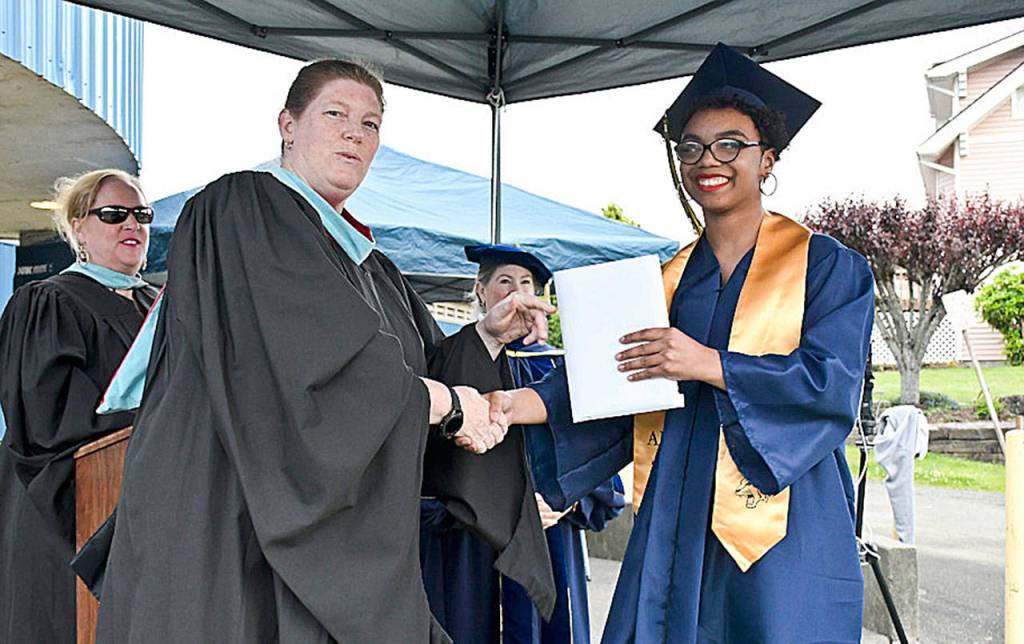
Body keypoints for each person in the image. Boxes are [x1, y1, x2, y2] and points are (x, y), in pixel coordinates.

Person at [94, 60, 554, 643]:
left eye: (369, 124)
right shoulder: (244, 205)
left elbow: (419, 368)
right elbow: (319, 360)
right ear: (288, 124)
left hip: (319, 529)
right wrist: (448, 404)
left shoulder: (372, 264)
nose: (354, 134)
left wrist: (488, 335)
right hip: (230, 510)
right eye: (335, 114)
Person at [488, 43, 875, 642]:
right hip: (675, 511)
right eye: (690, 147)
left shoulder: (825, 267)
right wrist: (514, 405)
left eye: (730, 145)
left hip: (781, 517)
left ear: (767, 159)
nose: (706, 160)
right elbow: (607, 384)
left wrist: (709, 364)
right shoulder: (662, 282)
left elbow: (830, 386)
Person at [421, 244, 625, 644]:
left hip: (549, 537)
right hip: (469, 546)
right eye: (503, 282)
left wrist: (565, 499)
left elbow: (601, 468)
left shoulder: (557, 371)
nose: (516, 293)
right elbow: (427, 464)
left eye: (526, 284)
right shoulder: (451, 360)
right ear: (480, 292)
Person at [0, 169, 158, 643]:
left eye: (141, 215)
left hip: (148, 509)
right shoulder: (48, 302)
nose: (131, 224)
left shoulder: (161, 306)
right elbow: (46, 414)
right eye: (113, 214)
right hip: (65, 510)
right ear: (78, 228)